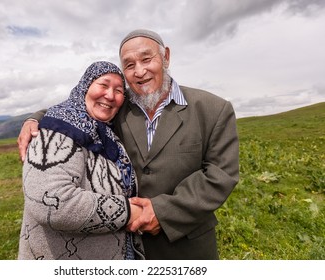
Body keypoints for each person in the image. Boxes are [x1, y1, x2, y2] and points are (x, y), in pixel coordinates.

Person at [18, 29, 239, 260]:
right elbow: (77, 107)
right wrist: (35, 118)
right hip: (124, 245)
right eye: (130, 65)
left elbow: (220, 175)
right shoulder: (116, 105)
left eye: (146, 59)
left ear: (166, 57)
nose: (140, 71)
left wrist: (163, 212)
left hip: (185, 245)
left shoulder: (213, 109)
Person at [18, 61, 145, 260]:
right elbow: (52, 203)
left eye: (119, 90)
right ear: (85, 86)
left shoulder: (106, 133)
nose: (110, 95)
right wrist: (130, 212)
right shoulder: (55, 131)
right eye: (103, 85)